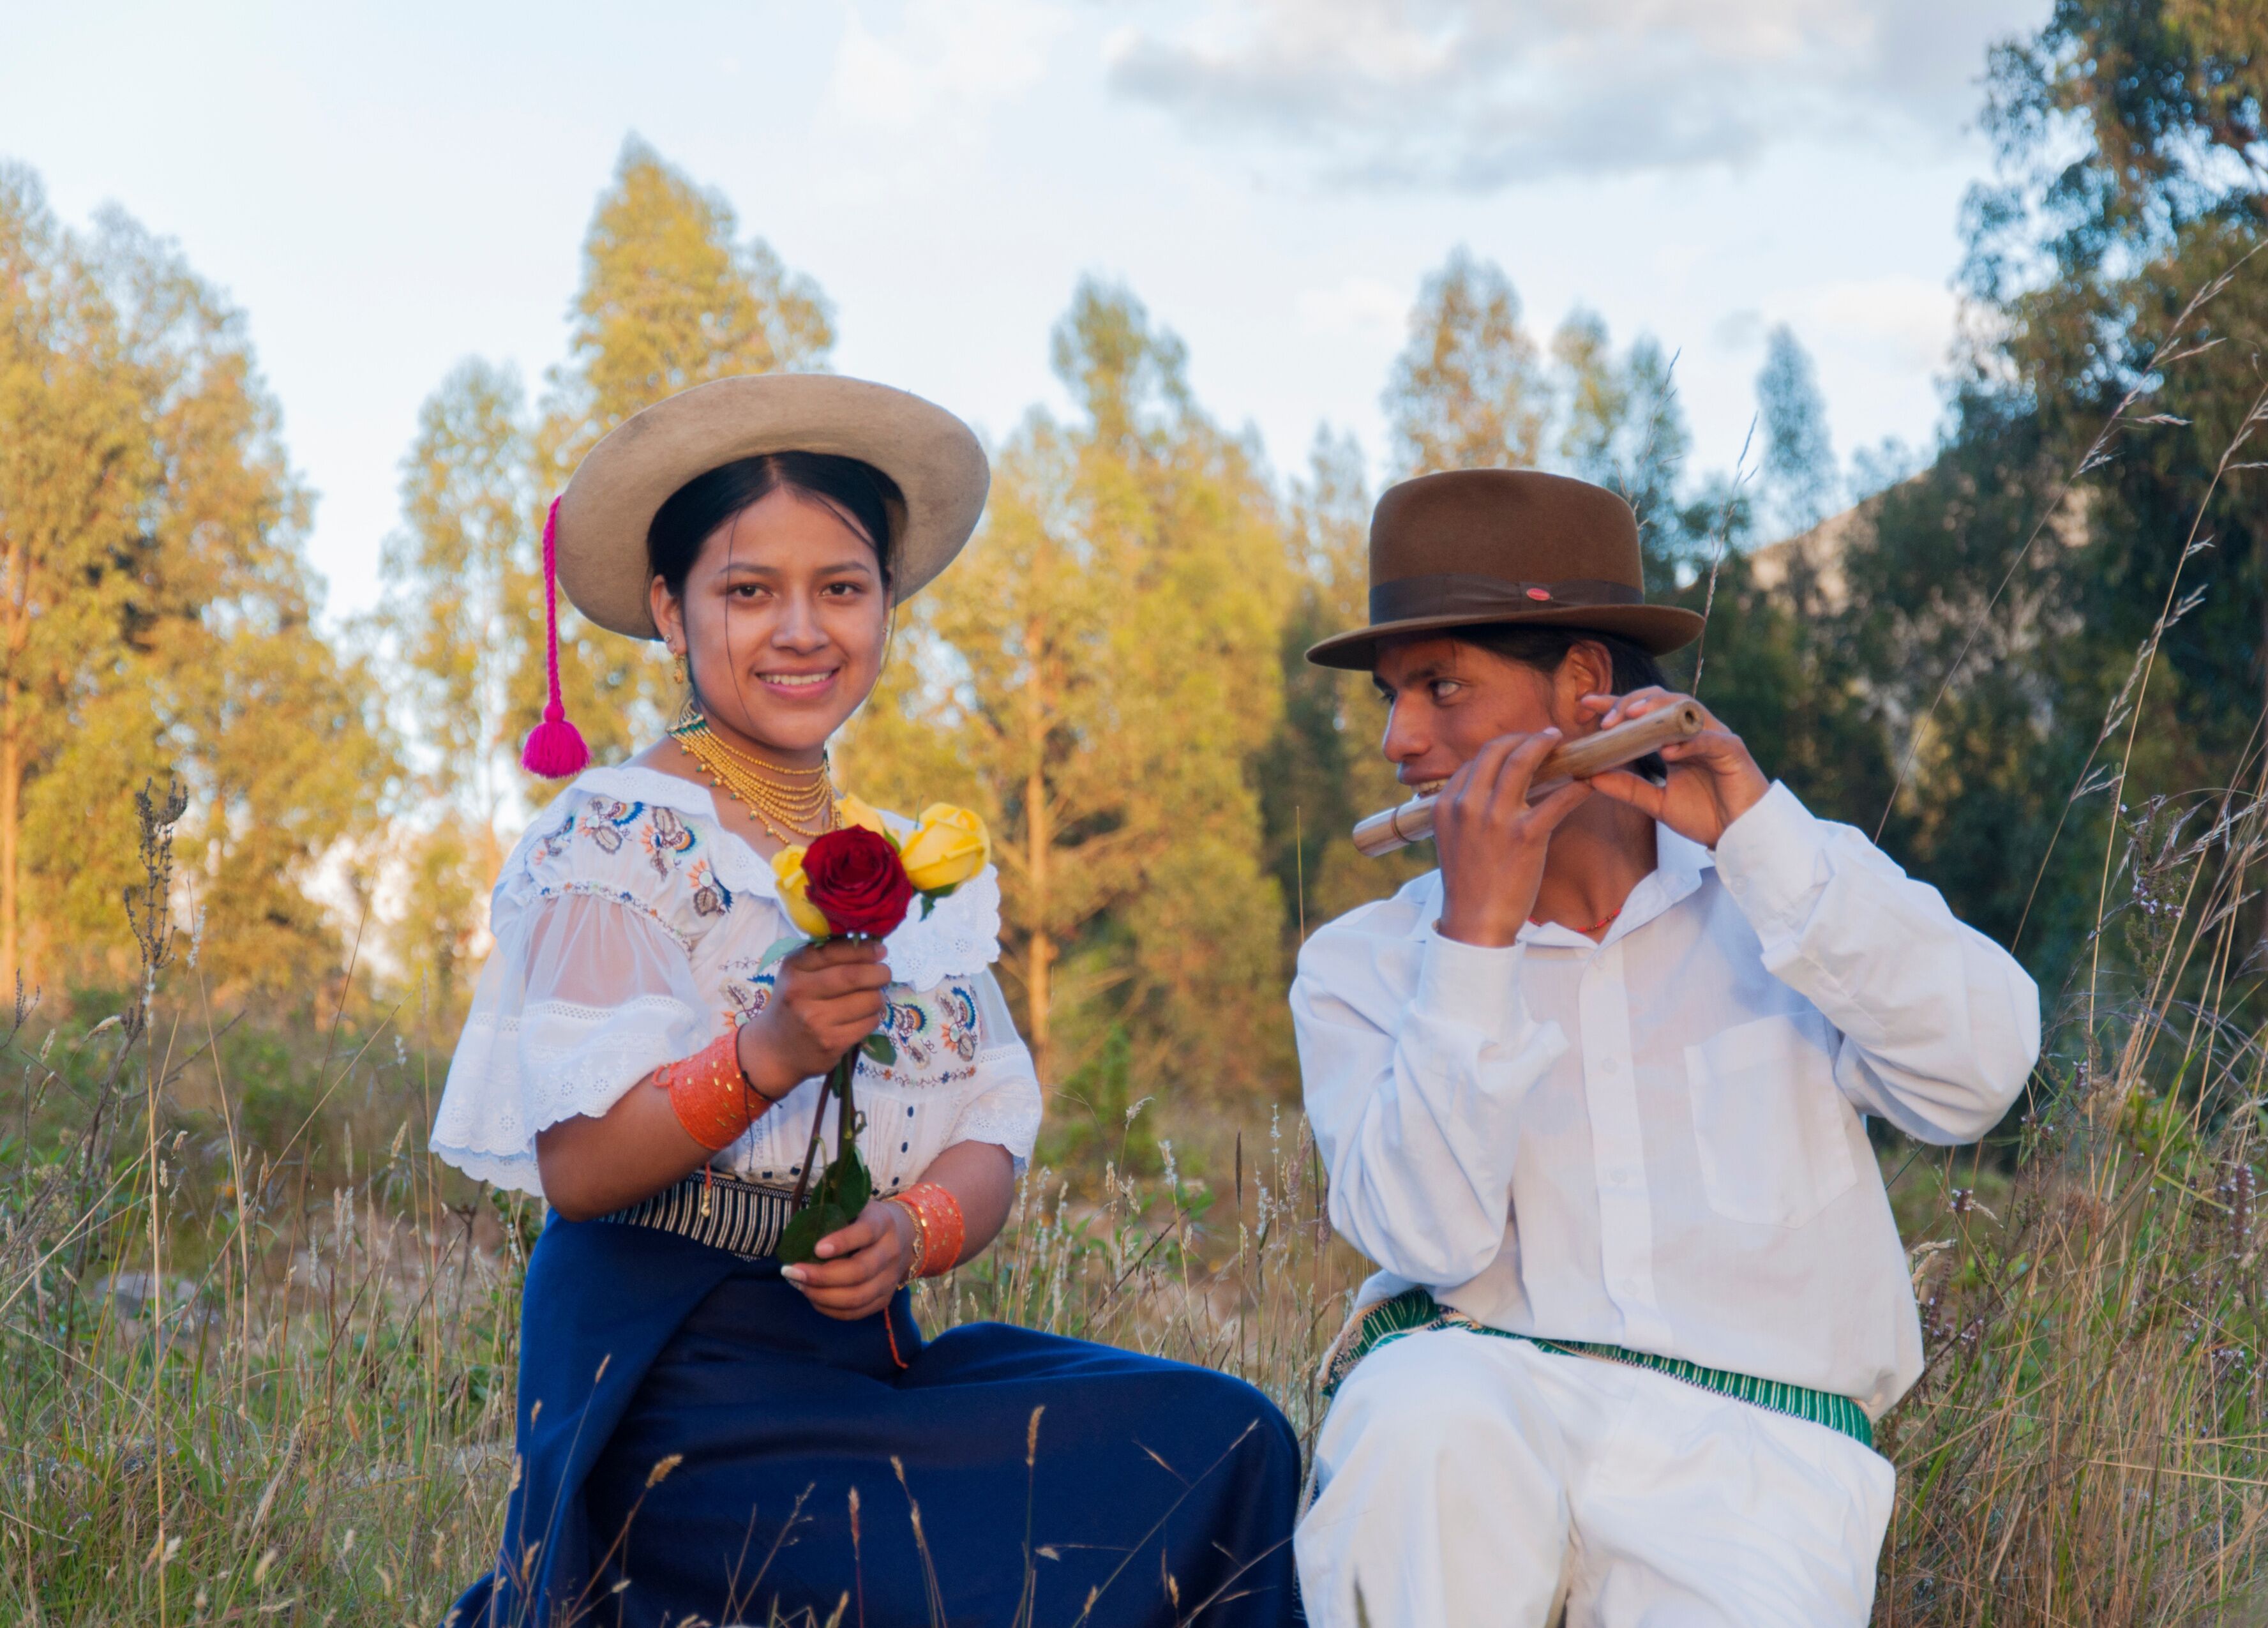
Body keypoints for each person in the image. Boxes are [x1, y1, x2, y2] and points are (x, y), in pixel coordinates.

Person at [431, 374, 1301, 1628]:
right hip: (673, 1378)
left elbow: (990, 1127)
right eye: (748, 591)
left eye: (841, 588)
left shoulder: (915, 865)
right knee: (933, 1586)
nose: (802, 630)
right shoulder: (620, 836)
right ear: (671, 612)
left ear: (888, 608)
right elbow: (578, 1167)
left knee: (1227, 1441)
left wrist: (917, 1232)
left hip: (866, 1362)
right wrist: (767, 1052)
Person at [1288, 469, 2040, 1626]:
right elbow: (1423, 1234)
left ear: (1587, 685)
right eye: (1391, 697)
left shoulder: (1785, 885)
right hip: (1485, 1392)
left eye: (1442, 687)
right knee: (1419, 1417)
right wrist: (1476, 940)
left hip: (1756, 1457)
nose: (1400, 739)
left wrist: (1762, 839)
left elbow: (1983, 1075)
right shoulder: (1367, 961)